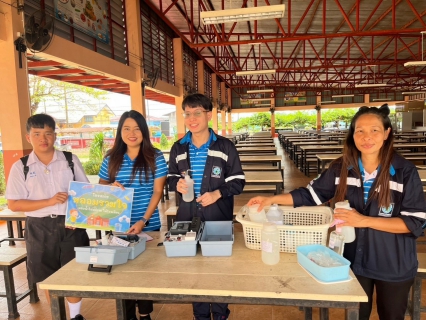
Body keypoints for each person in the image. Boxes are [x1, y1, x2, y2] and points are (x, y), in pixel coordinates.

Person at [248, 104, 426, 320]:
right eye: (360, 130)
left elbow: (415, 223)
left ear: (387, 133)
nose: (366, 137)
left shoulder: (404, 172)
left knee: (391, 316)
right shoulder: (341, 168)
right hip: (353, 261)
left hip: (392, 263)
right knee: (356, 315)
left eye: (374, 130)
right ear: (352, 135)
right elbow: (310, 195)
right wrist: (271, 199)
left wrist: (363, 220)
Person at [168, 93, 245, 320]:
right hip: (187, 217)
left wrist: (218, 193)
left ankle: (220, 314)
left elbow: (238, 181)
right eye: (187, 114)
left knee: (219, 269)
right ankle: (200, 315)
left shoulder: (224, 146)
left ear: (208, 115)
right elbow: (171, 178)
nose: (192, 118)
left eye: (197, 113)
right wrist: (178, 184)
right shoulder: (178, 148)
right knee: (194, 269)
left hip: (217, 217)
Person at [6, 114, 89, 320]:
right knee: (47, 275)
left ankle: (75, 316)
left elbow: (86, 194)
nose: (43, 139)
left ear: (55, 135)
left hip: (71, 225)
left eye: (48, 134)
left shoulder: (70, 160)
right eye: (37, 134)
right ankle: (57, 315)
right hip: (39, 227)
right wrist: (49, 201)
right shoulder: (20, 167)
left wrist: (79, 219)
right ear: (28, 137)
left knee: (75, 271)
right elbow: (14, 203)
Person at [98, 110, 167, 320]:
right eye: (126, 128)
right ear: (120, 132)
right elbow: (101, 187)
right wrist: (111, 186)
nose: (132, 133)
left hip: (147, 223)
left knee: (146, 271)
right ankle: (127, 315)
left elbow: (157, 191)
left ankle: (145, 313)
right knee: (122, 272)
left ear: (144, 131)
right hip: (119, 225)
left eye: (137, 128)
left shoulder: (155, 157)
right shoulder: (111, 158)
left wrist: (143, 220)